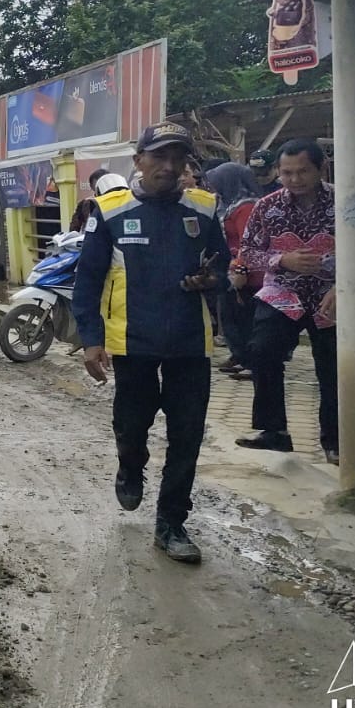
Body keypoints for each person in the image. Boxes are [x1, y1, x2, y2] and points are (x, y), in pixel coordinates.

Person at [73, 122, 229, 564]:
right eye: (158, 157)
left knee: (187, 436)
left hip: (189, 343)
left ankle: (172, 523)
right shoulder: (110, 211)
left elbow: (224, 267)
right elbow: (88, 281)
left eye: (178, 157)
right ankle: (130, 465)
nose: (169, 166)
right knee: (131, 424)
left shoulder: (204, 209)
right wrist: (91, 340)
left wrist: (210, 279)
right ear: (138, 161)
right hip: (131, 343)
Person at [236, 139, 355, 465]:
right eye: (287, 172)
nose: (295, 179)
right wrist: (282, 259)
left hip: (331, 295)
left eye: (303, 171)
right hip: (283, 293)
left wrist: (344, 288)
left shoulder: (348, 204)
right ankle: (274, 432)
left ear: (321, 169)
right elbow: (248, 252)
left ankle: (336, 440)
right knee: (262, 350)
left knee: (333, 366)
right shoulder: (267, 206)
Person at [204, 162, 263, 381]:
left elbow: (248, 243)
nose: (212, 187)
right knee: (231, 319)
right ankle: (241, 356)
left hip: (246, 275)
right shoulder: (228, 205)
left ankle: (252, 362)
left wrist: (240, 269)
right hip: (231, 271)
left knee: (244, 320)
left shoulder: (245, 207)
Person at [69, 168, 113, 233]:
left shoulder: (117, 200)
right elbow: (75, 226)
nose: (102, 186)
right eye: (98, 183)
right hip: (91, 238)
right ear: (91, 186)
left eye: (105, 182)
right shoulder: (85, 203)